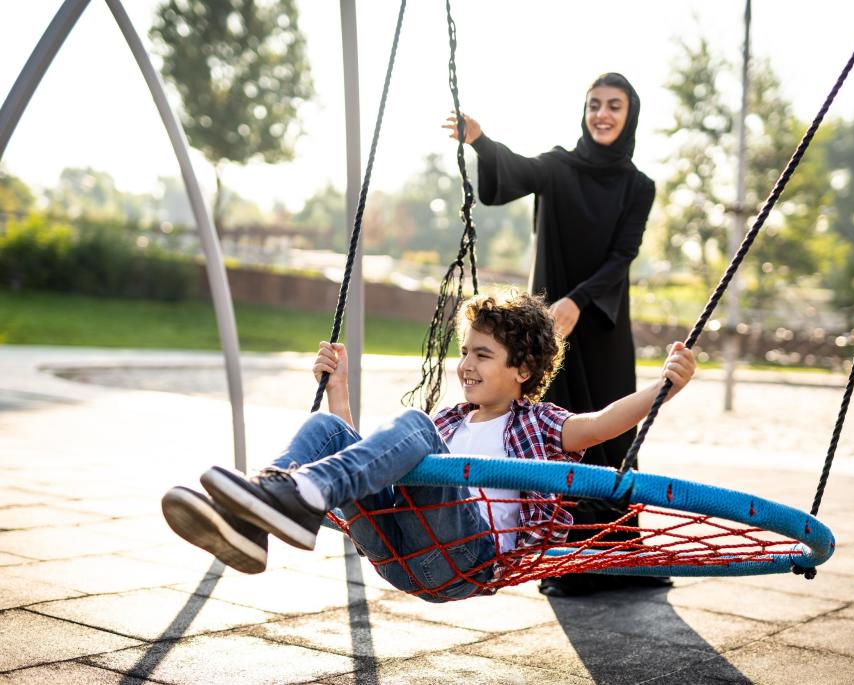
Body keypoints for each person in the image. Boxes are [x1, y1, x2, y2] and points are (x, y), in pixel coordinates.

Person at [161, 292, 695, 602]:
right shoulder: (449, 420)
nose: (465, 365)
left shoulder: (538, 425)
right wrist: (339, 390)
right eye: (465, 352)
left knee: (417, 428)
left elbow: (601, 424)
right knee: (334, 435)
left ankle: (291, 495)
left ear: (523, 369)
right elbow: (361, 463)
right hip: (400, 552)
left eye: (482, 355)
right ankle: (258, 518)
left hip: (466, 558)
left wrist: (663, 387)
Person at [442, 73, 657, 596]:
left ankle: (615, 551)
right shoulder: (559, 166)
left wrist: (578, 301)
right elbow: (512, 173)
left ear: (630, 115)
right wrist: (480, 141)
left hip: (602, 325)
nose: (603, 114)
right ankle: (566, 557)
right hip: (546, 334)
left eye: (614, 106)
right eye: (595, 105)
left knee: (611, 433)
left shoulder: (638, 186)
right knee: (555, 431)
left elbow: (621, 258)